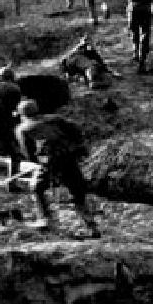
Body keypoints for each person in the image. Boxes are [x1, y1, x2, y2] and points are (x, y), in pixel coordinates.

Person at [13, 99, 99, 236]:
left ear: (21, 114)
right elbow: (76, 130)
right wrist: (77, 147)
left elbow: (28, 153)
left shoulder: (22, 129)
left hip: (50, 162)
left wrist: (39, 163)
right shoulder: (55, 119)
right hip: (69, 157)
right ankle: (91, 226)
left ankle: (44, 219)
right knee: (77, 191)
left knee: (37, 187)